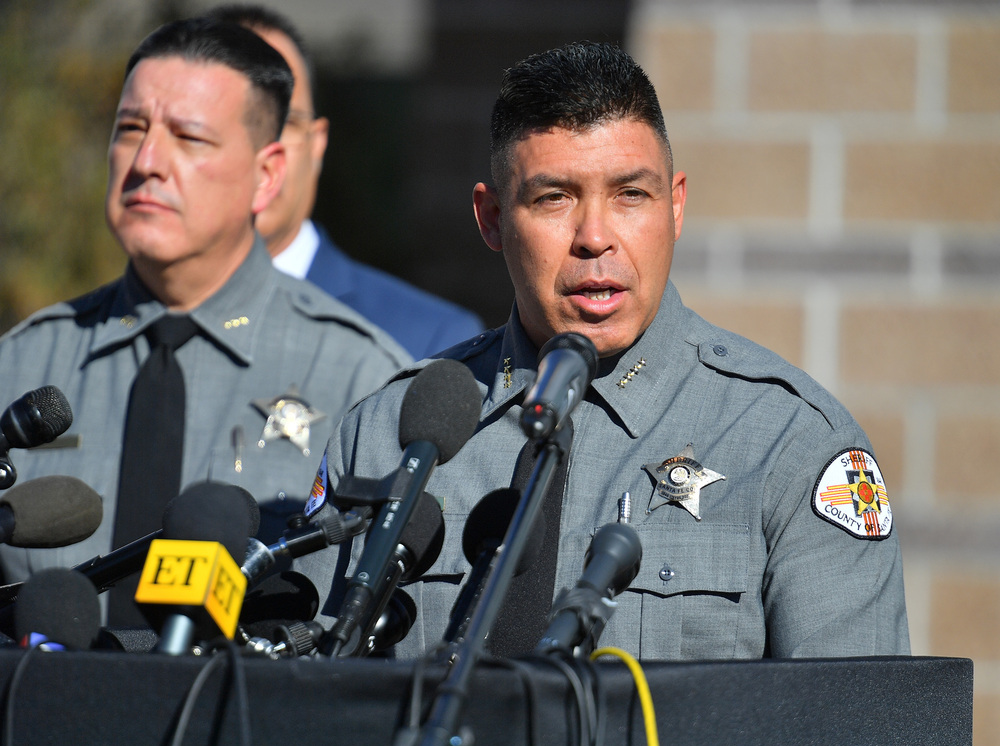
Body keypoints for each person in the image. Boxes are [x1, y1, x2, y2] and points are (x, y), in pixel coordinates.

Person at [300, 41, 910, 661]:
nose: (594, 238)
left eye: (630, 195)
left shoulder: (790, 446)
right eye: (553, 198)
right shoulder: (389, 436)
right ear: (490, 218)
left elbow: (852, 716)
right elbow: (311, 704)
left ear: (674, 205)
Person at [0, 18, 409, 619]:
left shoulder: (362, 380)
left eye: (188, 137)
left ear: (267, 175)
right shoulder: (25, 363)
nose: (146, 161)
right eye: (130, 128)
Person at [204, 4, 485, 360]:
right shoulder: (125, 321)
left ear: (316, 143)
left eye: (281, 124)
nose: (258, 153)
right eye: (218, 129)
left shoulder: (428, 341)